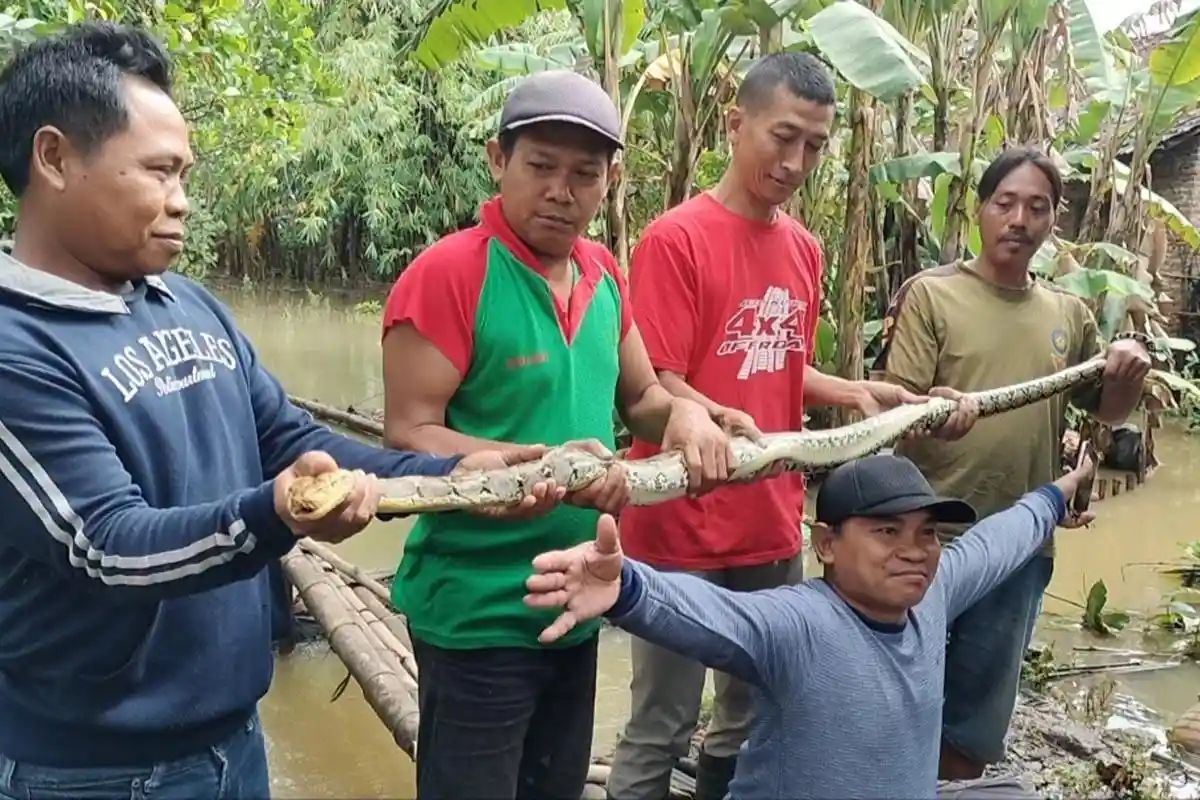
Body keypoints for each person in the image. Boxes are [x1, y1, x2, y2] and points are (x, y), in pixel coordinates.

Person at [0, 22, 544, 800]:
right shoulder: (16, 347)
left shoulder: (188, 305)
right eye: (158, 172)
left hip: (232, 740)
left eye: (185, 174)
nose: (182, 201)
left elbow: (291, 440)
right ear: (54, 158)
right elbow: (107, 547)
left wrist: (455, 475)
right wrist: (276, 512)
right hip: (93, 772)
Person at [607, 51, 975, 800]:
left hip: (771, 522)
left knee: (749, 715)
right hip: (681, 523)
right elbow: (657, 382)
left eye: (814, 145)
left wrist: (862, 393)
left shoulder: (804, 249)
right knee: (663, 722)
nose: (796, 162)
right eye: (783, 137)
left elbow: (777, 363)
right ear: (734, 124)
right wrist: (702, 417)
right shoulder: (675, 240)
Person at [379, 69, 735, 800]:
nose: (561, 192)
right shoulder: (450, 275)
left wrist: (686, 414)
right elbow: (408, 434)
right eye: (540, 166)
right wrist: (528, 466)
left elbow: (641, 397)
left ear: (610, 181)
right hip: (478, 611)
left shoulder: (602, 273)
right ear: (497, 160)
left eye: (584, 174)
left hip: (580, 597)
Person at [522, 451, 1098, 800]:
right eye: (887, 531)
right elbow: (709, 613)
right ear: (826, 544)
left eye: (927, 533)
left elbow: (999, 541)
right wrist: (626, 587)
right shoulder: (801, 625)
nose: (914, 550)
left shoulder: (931, 595)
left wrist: (1057, 496)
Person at [875, 146, 1153, 780]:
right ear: (979, 209)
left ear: (1054, 219)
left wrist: (1129, 375)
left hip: (1022, 541)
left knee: (974, 722)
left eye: (1037, 207)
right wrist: (932, 408)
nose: (1020, 219)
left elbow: (1106, 410)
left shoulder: (1068, 314)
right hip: (928, 538)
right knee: (892, 697)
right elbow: (892, 405)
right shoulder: (931, 295)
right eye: (1005, 203)